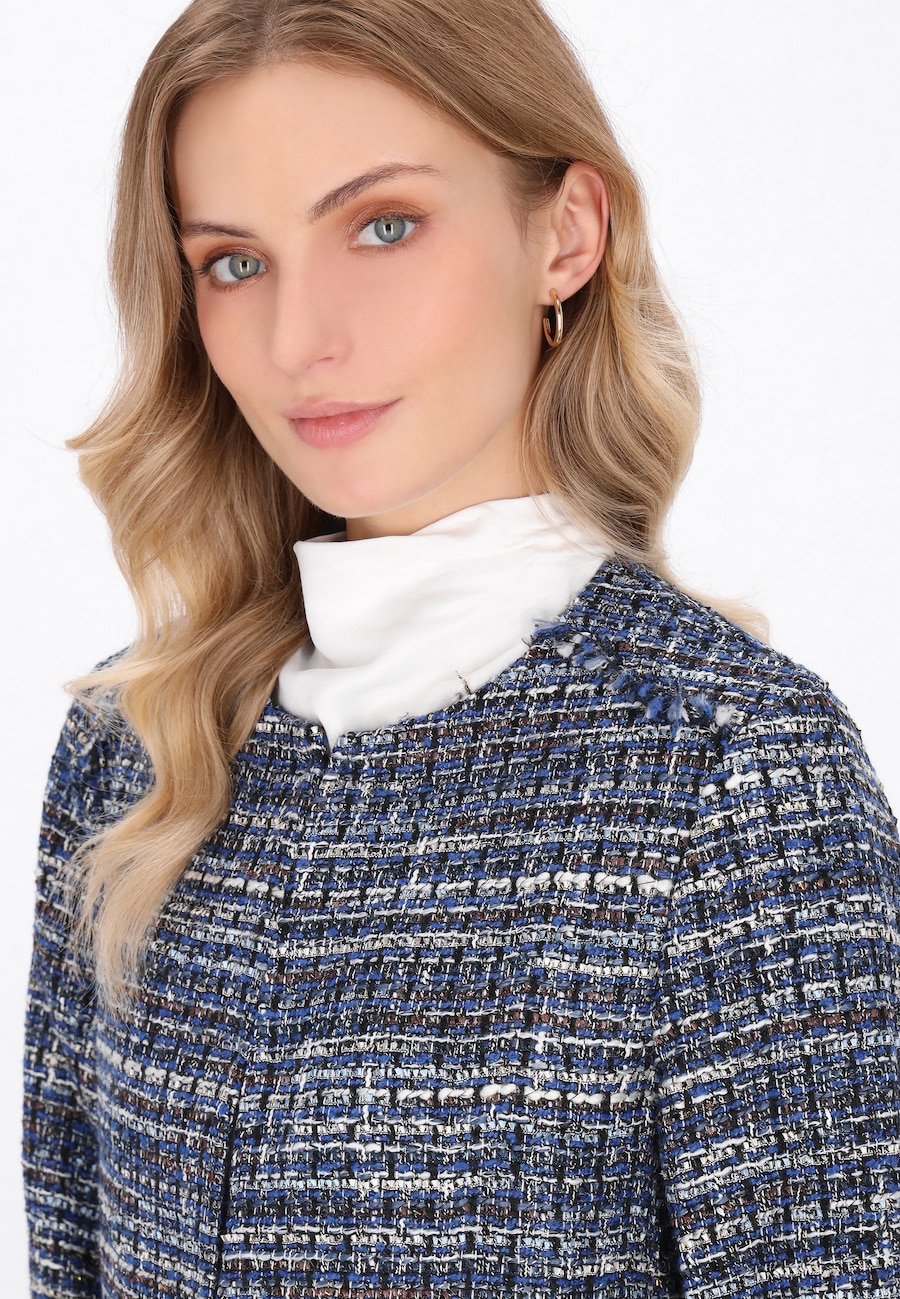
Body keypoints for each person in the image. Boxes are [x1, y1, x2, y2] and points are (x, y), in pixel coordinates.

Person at [21, 0, 899, 1294]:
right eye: (234, 262)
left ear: (566, 234)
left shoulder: (733, 778)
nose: (298, 341)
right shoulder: (137, 750)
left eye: (383, 225)